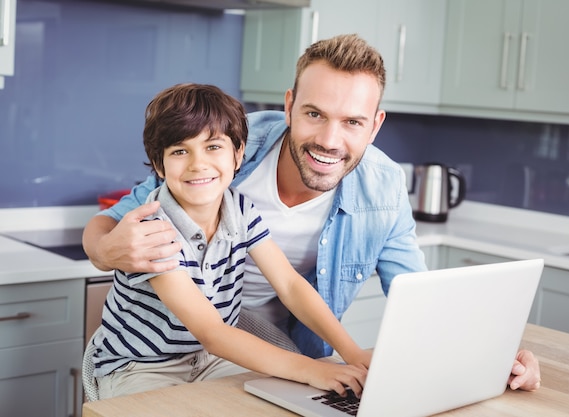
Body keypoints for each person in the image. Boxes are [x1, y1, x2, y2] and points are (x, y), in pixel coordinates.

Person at [83, 34, 541, 391]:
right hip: (186, 347)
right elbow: (111, 231)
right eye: (315, 114)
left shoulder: (375, 189)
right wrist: (106, 250)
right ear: (288, 106)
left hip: (260, 344)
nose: (330, 139)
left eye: (353, 122)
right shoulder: (214, 161)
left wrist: (488, 354)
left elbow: (410, 295)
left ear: (375, 125)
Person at [91, 83, 371, 399]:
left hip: (210, 360)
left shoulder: (239, 208)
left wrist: (352, 353)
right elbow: (212, 332)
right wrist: (312, 369)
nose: (198, 164)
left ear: (238, 154)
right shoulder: (155, 230)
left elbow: (289, 285)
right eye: (180, 151)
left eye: (213, 147)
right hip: (142, 367)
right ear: (159, 165)